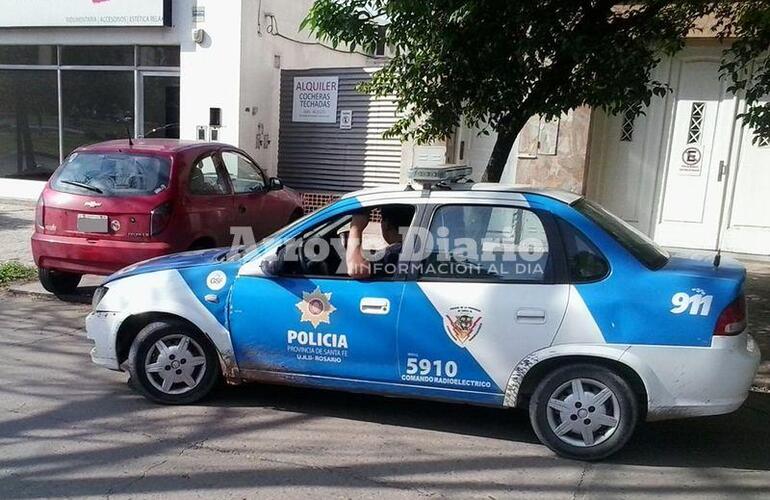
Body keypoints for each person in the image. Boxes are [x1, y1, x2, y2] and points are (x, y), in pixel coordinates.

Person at [346, 205, 413, 279]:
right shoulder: (416, 248)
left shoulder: (394, 254)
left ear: (386, 224)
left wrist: (356, 227)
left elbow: (354, 269)